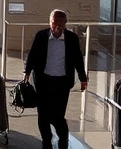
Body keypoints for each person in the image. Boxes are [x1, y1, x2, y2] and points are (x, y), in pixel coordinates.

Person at [23, 9, 88, 149]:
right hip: (43, 81)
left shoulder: (72, 38)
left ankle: (63, 138)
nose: (57, 25)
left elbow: (78, 59)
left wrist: (83, 79)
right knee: (43, 114)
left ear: (65, 23)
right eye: (54, 22)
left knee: (57, 115)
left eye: (60, 22)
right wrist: (27, 71)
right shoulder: (41, 36)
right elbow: (32, 55)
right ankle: (46, 140)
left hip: (62, 82)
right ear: (49, 22)